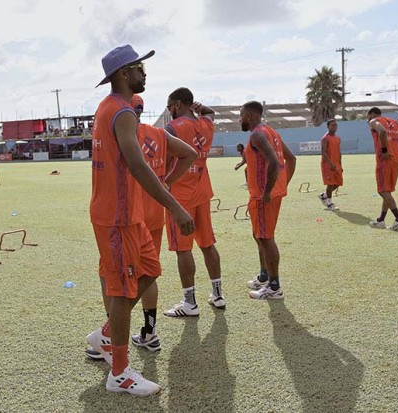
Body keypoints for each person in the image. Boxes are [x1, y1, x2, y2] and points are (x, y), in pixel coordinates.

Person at [86, 44, 194, 396]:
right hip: (117, 217)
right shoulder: (121, 112)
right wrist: (175, 207)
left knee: (149, 271)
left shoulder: (112, 108)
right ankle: (119, 373)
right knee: (122, 290)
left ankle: (106, 334)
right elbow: (137, 164)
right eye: (139, 68)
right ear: (123, 73)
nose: (144, 73)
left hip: (128, 214)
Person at [162, 87, 223, 317]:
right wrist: (200, 108)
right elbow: (210, 113)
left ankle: (189, 303)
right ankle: (218, 295)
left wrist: (166, 182)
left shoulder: (173, 128)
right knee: (207, 244)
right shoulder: (205, 124)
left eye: (170, 106)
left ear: (178, 104)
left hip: (180, 195)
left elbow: (167, 159)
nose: (169, 111)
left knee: (183, 249)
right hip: (202, 191)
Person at [240, 101, 296, 300]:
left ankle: (274, 287)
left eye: (241, 115)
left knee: (265, 238)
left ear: (249, 116)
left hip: (263, 196)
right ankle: (264, 276)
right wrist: (282, 185)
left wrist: (267, 191)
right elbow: (291, 159)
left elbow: (273, 160)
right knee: (259, 236)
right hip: (268, 194)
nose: (239, 119)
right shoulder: (271, 132)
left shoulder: (257, 135)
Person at [366, 107, 398, 230]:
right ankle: (381, 220)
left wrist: (384, 150)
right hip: (395, 159)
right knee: (387, 190)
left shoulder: (374, 121)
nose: (367, 120)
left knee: (382, 191)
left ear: (372, 114)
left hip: (385, 159)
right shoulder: (393, 122)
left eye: (367, 117)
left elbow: (382, 131)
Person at [318, 119, 343, 211]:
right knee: (330, 184)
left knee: (338, 183)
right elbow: (323, 152)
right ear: (328, 127)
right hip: (328, 164)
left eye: (335, 125)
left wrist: (340, 164)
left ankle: (324, 195)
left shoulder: (337, 138)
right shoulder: (325, 138)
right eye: (332, 125)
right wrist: (330, 163)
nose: (334, 127)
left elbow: (339, 152)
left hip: (336, 164)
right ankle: (329, 203)